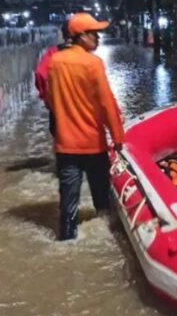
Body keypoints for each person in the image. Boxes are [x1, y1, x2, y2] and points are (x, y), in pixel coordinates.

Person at [47, 13, 125, 241]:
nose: (98, 38)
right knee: (102, 204)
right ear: (80, 37)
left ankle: (67, 241)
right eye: (94, 34)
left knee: (68, 208)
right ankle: (108, 241)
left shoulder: (55, 62)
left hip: (66, 147)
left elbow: (51, 100)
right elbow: (107, 103)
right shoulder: (93, 63)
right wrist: (118, 136)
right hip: (93, 145)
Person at [35, 21, 72, 137]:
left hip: (58, 107)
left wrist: (46, 97)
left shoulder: (53, 52)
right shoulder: (86, 54)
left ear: (62, 34)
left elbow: (40, 74)